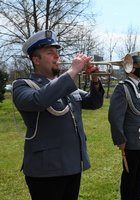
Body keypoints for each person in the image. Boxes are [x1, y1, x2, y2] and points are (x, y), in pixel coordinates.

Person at [12, 30, 105, 200]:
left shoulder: (66, 87)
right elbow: (39, 100)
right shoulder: (23, 86)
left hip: (72, 165)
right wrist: (72, 71)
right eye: (50, 53)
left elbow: (94, 103)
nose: (57, 57)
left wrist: (95, 79)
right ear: (36, 60)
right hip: (45, 170)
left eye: (57, 53)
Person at [108, 51, 140, 200]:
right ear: (131, 68)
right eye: (139, 66)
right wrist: (120, 139)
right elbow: (115, 117)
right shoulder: (122, 88)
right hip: (131, 142)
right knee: (130, 179)